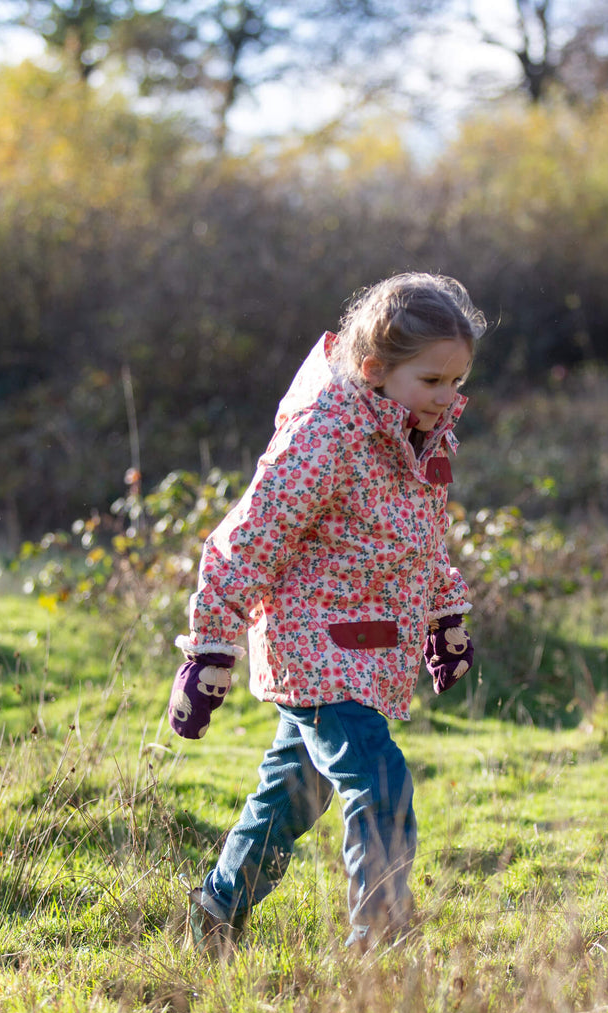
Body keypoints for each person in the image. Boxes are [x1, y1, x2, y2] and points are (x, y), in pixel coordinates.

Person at [167, 272, 486, 953]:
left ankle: (216, 910)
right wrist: (209, 651)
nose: (448, 398)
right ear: (374, 368)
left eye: (457, 382)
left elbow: (415, 541)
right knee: (380, 782)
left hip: (370, 645)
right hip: (315, 646)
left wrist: (445, 613)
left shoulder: (416, 436)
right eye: (433, 381)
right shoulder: (326, 436)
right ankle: (383, 945)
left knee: (293, 796)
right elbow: (245, 541)